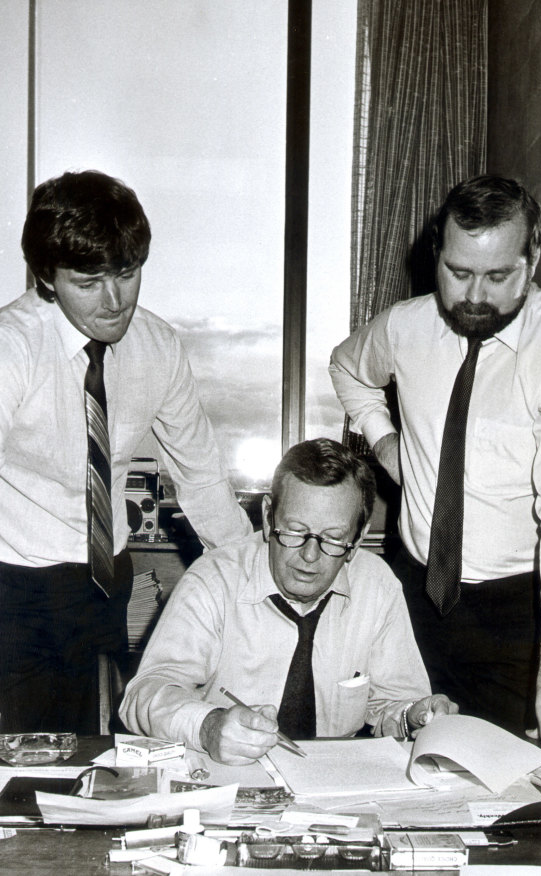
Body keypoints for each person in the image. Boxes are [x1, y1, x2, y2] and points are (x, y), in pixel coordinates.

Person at [329, 174, 541, 750]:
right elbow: (347, 369)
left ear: (533, 257)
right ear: (436, 252)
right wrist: (389, 447)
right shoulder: (405, 326)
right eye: (458, 272)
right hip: (414, 594)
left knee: (511, 791)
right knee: (402, 774)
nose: (474, 297)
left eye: (498, 277)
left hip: (518, 613)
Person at [0, 169, 251, 734]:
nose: (114, 302)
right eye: (89, 282)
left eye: (127, 274)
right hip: (12, 583)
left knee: (98, 752)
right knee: (20, 765)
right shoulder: (11, 349)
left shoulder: (158, 346)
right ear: (46, 275)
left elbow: (203, 479)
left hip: (103, 576)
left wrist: (255, 576)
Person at [120, 438, 457, 765]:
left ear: (358, 539)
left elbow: (395, 703)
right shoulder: (214, 580)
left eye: (334, 539)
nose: (310, 556)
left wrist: (414, 715)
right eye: (295, 531)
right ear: (268, 517)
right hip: (230, 775)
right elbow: (145, 694)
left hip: (334, 782)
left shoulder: (377, 587)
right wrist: (208, 726)